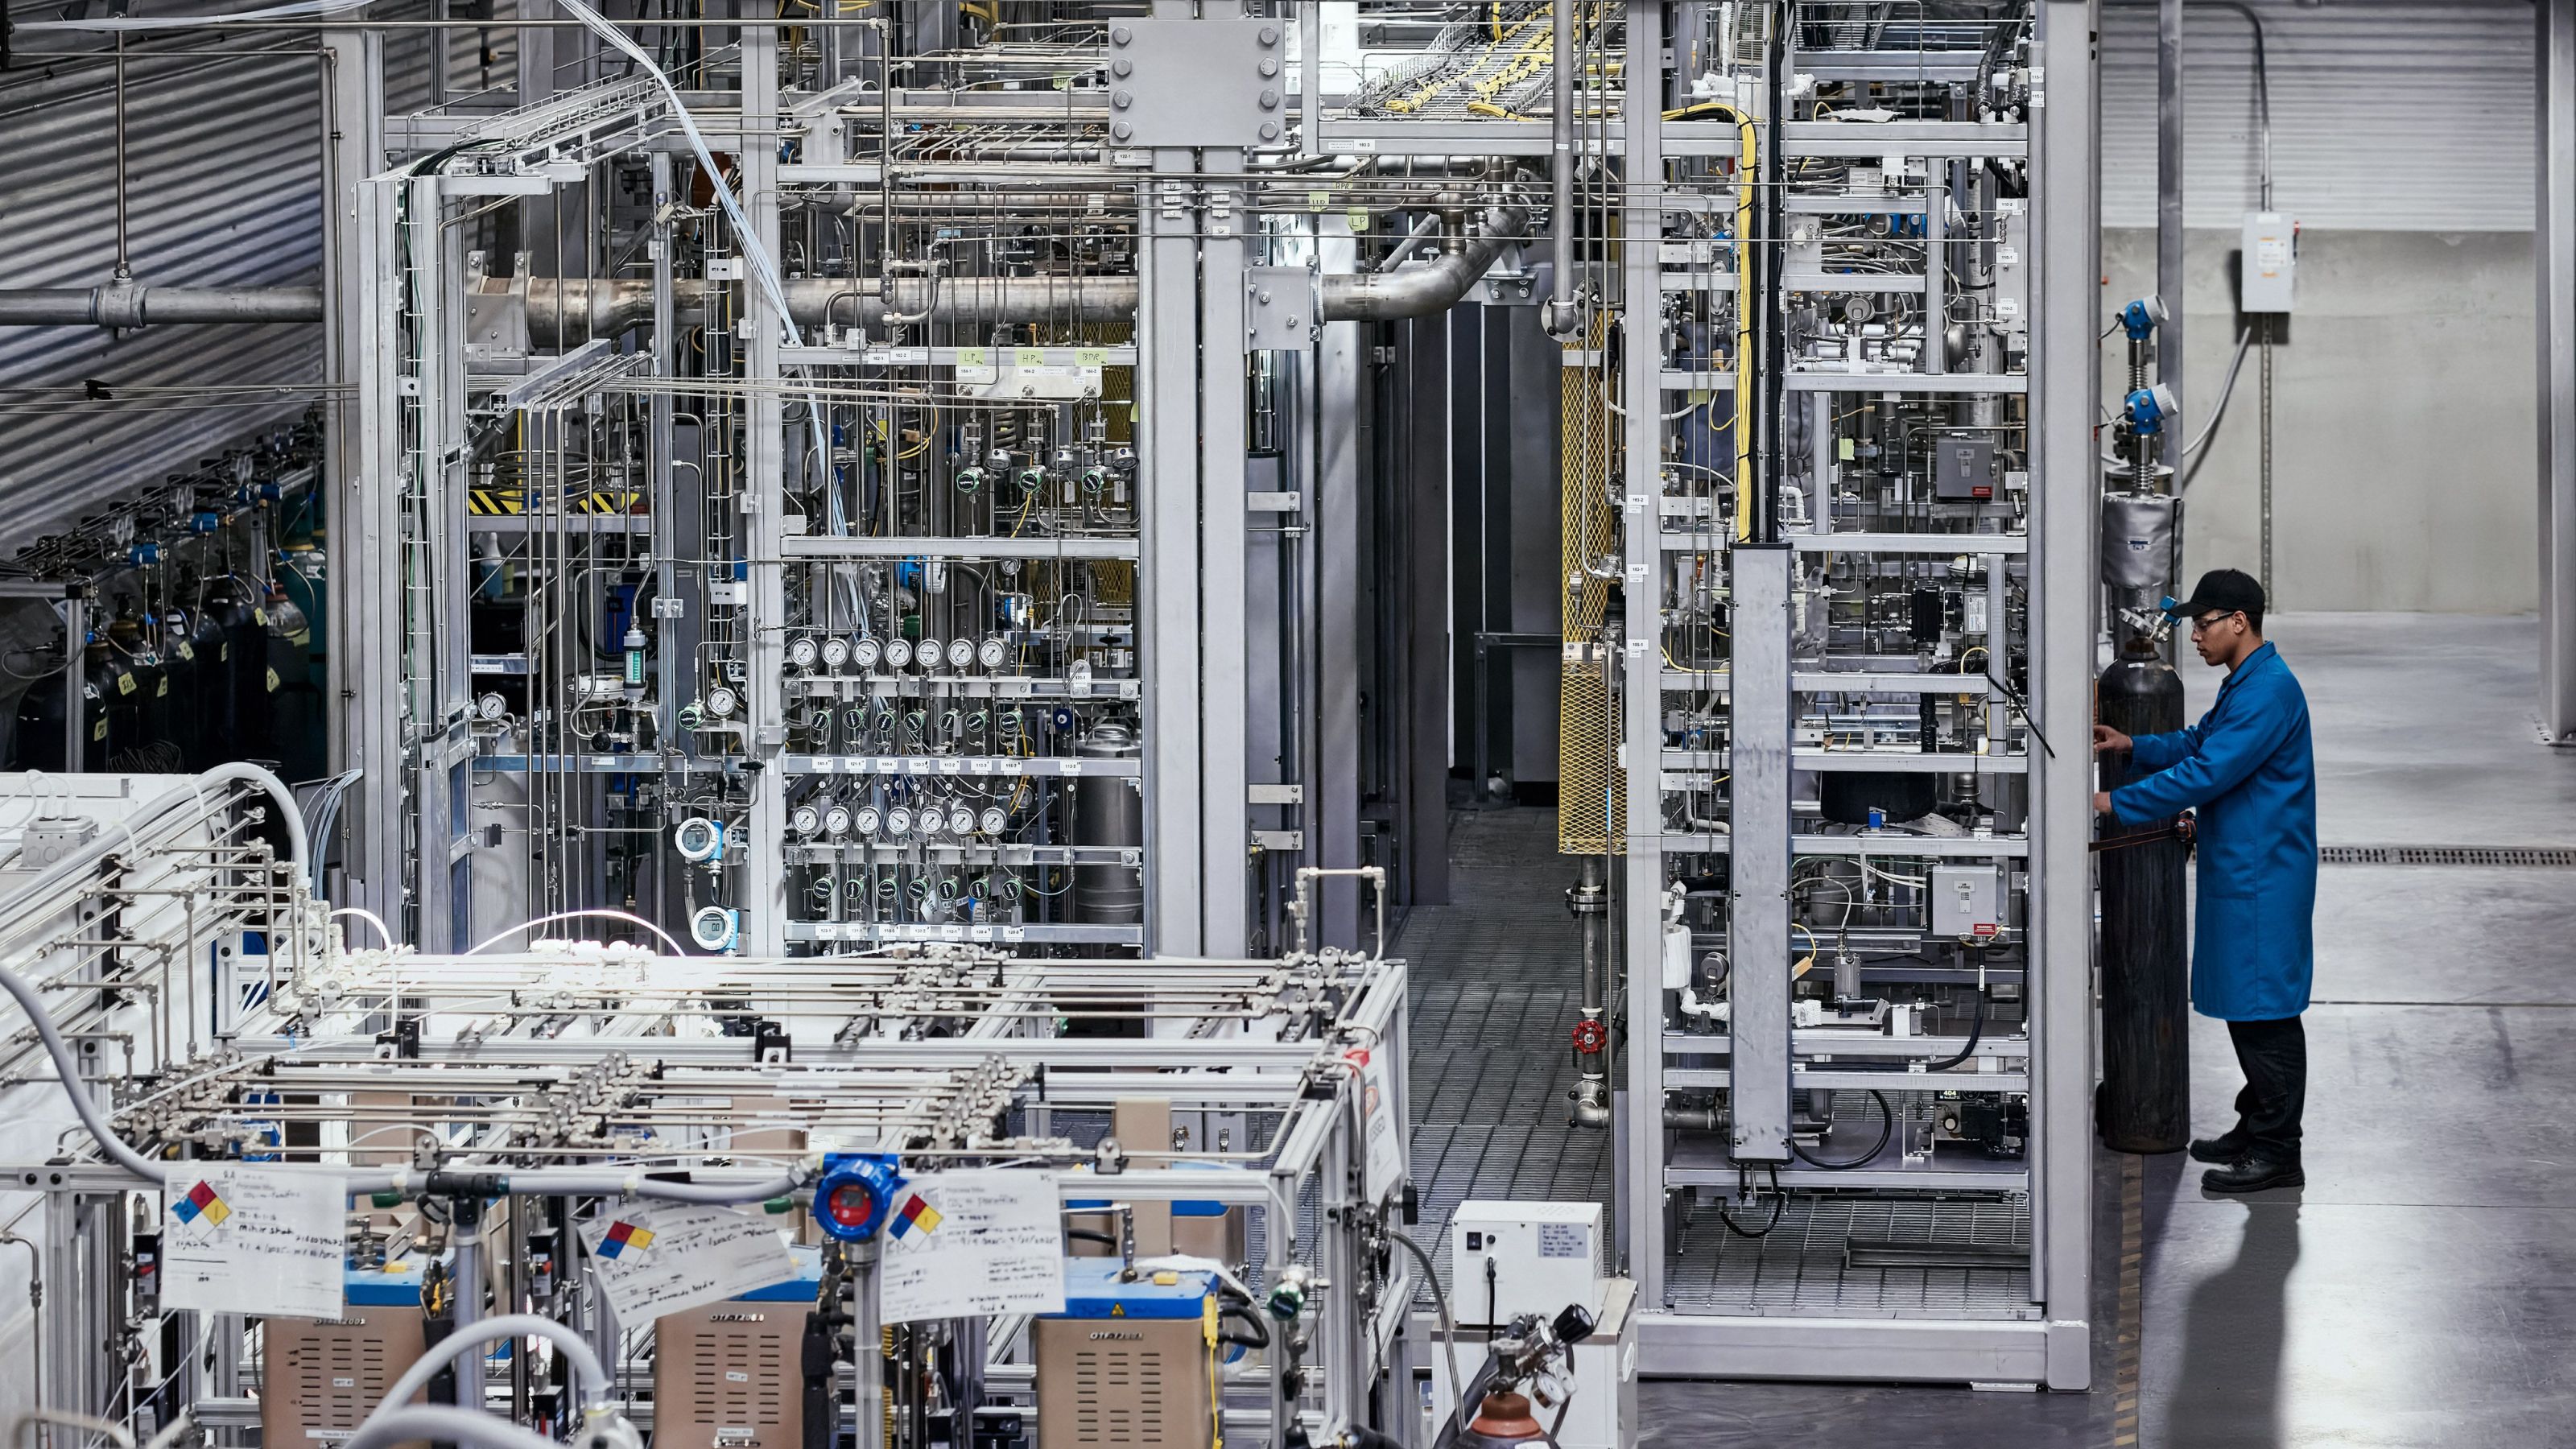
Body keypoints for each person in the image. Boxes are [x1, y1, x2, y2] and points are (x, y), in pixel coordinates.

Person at [2091, 568, 2317, 1194]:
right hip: (2243, 867)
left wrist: (2116, 802)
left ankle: (2278, 1149)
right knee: (2248, 1008)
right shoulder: (2246, 683)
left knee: (2266, 1012)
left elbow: (2209, 772)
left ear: (2238, 622)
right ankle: (2255, 1126)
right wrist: (2134, 743)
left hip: (2264, 875)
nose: (2194, 635)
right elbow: (2200, 742)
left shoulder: (2269, 691)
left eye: (2204, 622)